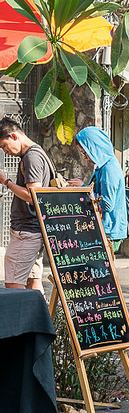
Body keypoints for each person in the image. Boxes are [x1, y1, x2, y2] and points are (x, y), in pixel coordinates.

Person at [0, 118, 58, 293]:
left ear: (14, 136)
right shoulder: (37, 152)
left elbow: (33, 196)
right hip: (33, 230)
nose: (5, 151)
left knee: (13, 285)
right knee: (33, 283)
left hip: (27, 232)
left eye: (4, 146)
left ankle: (18, 321)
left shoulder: (31, 157)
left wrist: (6, 182)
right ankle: (40, 320)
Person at [68, 127, 127, 252]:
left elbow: (107, 204)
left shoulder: (109, 169)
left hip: (108, 231)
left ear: (94, 148)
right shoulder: (103, 166)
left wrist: (83, 188)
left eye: (85, 153)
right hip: (104, 229)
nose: (84, 157)